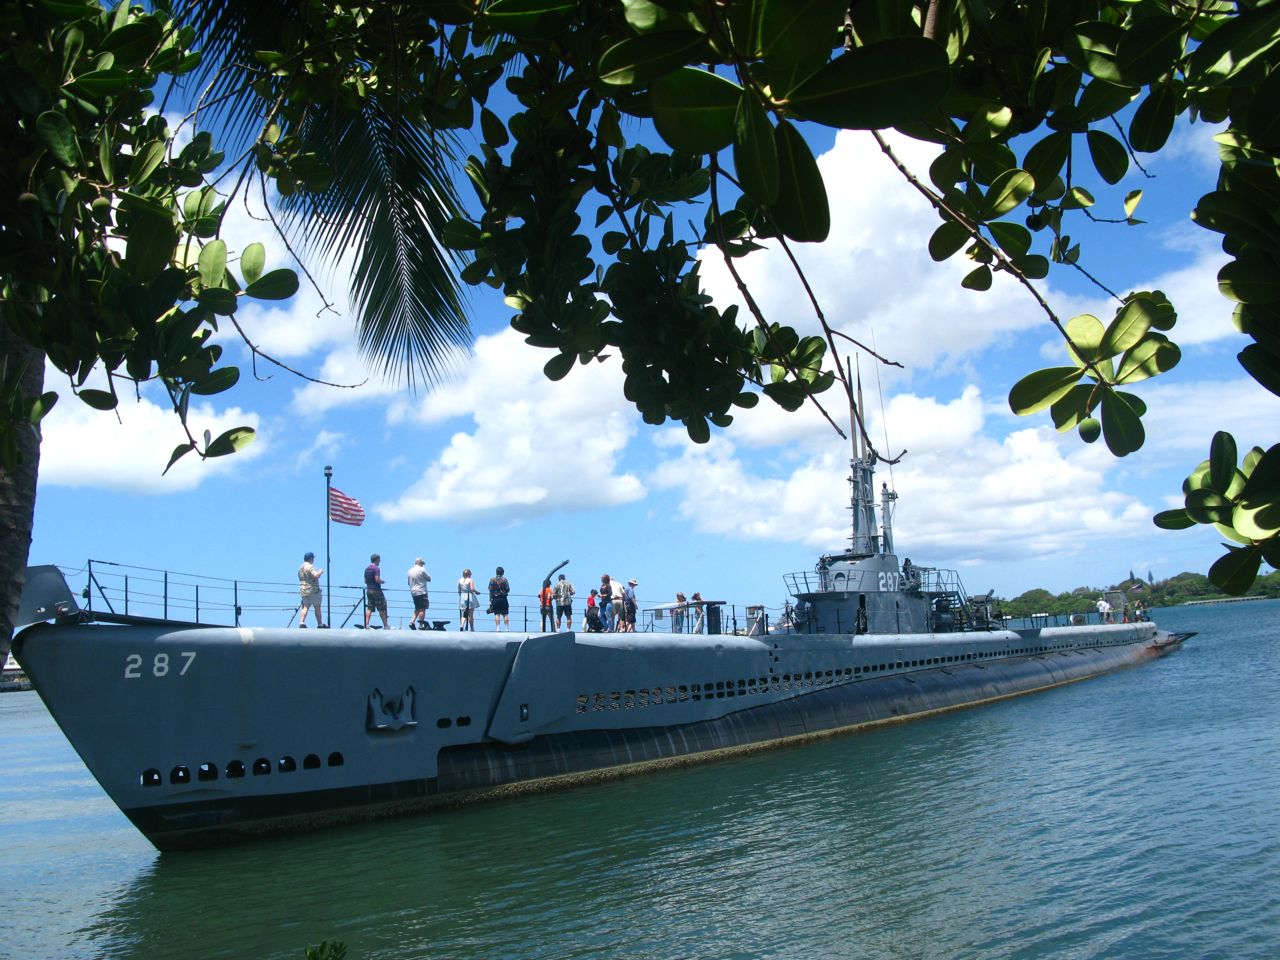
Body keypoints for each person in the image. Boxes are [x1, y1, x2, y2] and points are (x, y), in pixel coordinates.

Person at [297, 551, 325, 628]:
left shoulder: (300, 568)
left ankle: (302, 622)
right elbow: (315, 576)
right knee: (317, 606)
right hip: (313, 590)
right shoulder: (310, 566)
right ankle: (320, 624)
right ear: (311, 558)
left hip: (303, 590)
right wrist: (320, 572)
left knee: (305, 606)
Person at [364, 553, 388, 629]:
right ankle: (386, 625)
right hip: (376, 590)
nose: (380, 561)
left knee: (369, 608)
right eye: (379, 559)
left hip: (369, 590)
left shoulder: (367, 569)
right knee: (381, 608)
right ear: (376, 560)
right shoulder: (376, 569)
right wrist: (382, 582)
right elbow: (377, 579)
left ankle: (366, 624)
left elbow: (365, 581)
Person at [406, 557, 431, 630]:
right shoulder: (422, 569)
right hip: (421, 591)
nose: (423, 565)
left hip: (413, 592)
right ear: (420, 563)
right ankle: (421, 624)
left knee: (417, 607)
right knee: (422, 609)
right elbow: (429, 578)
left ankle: (412, 621)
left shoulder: (410, 571)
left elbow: (408, 583)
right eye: (422, 563)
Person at [489, 565, 511, 631]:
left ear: (496, 572)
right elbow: (507, 589)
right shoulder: (505, 580)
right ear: (503, 573)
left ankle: (498, 628)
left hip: (496, 598)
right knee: (505, 614)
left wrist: (490, 599)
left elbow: (490, 590)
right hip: (503, 598)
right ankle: (506, 628)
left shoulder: (492, 579)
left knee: (497, 614)